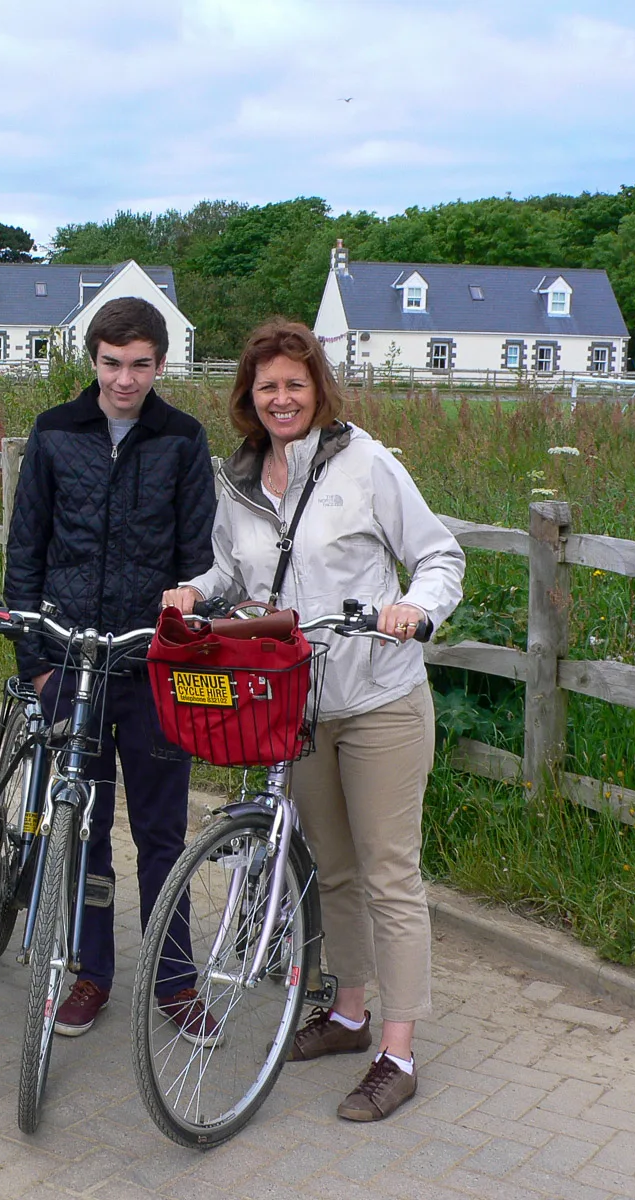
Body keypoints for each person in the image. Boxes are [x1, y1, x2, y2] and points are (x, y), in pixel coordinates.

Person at [162, 317, 465, 1122]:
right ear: (248, 396)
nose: (282, 398)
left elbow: (440, 555)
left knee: (389, 871)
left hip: (379, 698)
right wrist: (196, 591)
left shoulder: (366, 463)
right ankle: (349, 1013)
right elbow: (231, 572)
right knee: (332, 870)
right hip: (293, 701)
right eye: (268, 386)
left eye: (295, 384)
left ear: (318, 389)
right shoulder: (239, 478)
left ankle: (397, 1053)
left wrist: (415, 609)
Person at [5, 296, 217, 1039]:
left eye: (140, 365)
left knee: (162, 834)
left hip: (151, 667)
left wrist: (182, 646)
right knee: (84, 829)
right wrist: (37, 664)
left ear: (160, 364)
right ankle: (90, 973)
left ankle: (176, 981)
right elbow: (25, 550)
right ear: (92, 360)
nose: (125, 380)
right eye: (111, 363)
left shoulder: (182, 439)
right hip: (72, 663)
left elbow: (198, 558)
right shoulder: (55, 431)